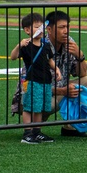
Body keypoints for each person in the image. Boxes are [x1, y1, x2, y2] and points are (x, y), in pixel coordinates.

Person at [43, 10, 87, 137]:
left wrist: (80, 56)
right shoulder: (40, 46)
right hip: (37, 95)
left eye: (67, 27)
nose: (66, 31)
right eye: (62, 27)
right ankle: (32, 128)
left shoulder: (69, 42)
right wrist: (62, 91)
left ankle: (71, 127)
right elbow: (31, 86)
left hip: (60, 90)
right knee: (38, 102)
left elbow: (82, 74)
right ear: (49, 29)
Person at [11, 13, 60, 144]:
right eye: (37, 27)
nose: (41, 30)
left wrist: (57, 69)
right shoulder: (26, 45)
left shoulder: (46, 45)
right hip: (32, 81)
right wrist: (19, 45)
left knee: (40, 107)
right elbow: (13, 56)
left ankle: (37, 132)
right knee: (29, 107)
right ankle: (27, 132)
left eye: (42, 27)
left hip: (46, 81)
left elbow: (50, 60)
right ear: (27, 30)